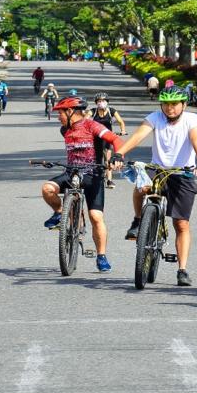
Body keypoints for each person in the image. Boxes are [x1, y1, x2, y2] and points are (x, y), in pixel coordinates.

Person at [111, 86, 197, 287]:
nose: (170, 108)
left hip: (182, 172)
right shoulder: (155, 117)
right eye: (166, 104)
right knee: (142, 186)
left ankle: (182, 270)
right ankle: (139, 221)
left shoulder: (192, 119)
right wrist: (119, 153)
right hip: (157, 168)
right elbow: (138, 136)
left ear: (183, 104)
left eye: (174, 104)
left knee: (181, 224)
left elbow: (196, 140)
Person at [41, 96, 123, 273]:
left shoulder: (92, 126)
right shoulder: (65, 130)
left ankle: (101, 256)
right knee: (47, 189)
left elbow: (115, 139)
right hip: (71, 172)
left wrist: (117, 156)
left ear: (70, 112)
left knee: (95, 217)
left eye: (60, 113)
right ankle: (59, 213)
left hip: (93, 175)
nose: (58, 117)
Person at [87, 92, 127, 188]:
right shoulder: (93, 111)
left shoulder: (111, 111)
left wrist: (123, 130)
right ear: (96, 103)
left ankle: (109, 180)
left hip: (107, 138)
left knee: (107, 159)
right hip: (96, 137)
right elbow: (86, 119)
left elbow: (120, 121)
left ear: (107, 102)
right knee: (96, 159)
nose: (101, 102)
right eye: (99, 101)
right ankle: (95, 178)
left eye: (103, 101)